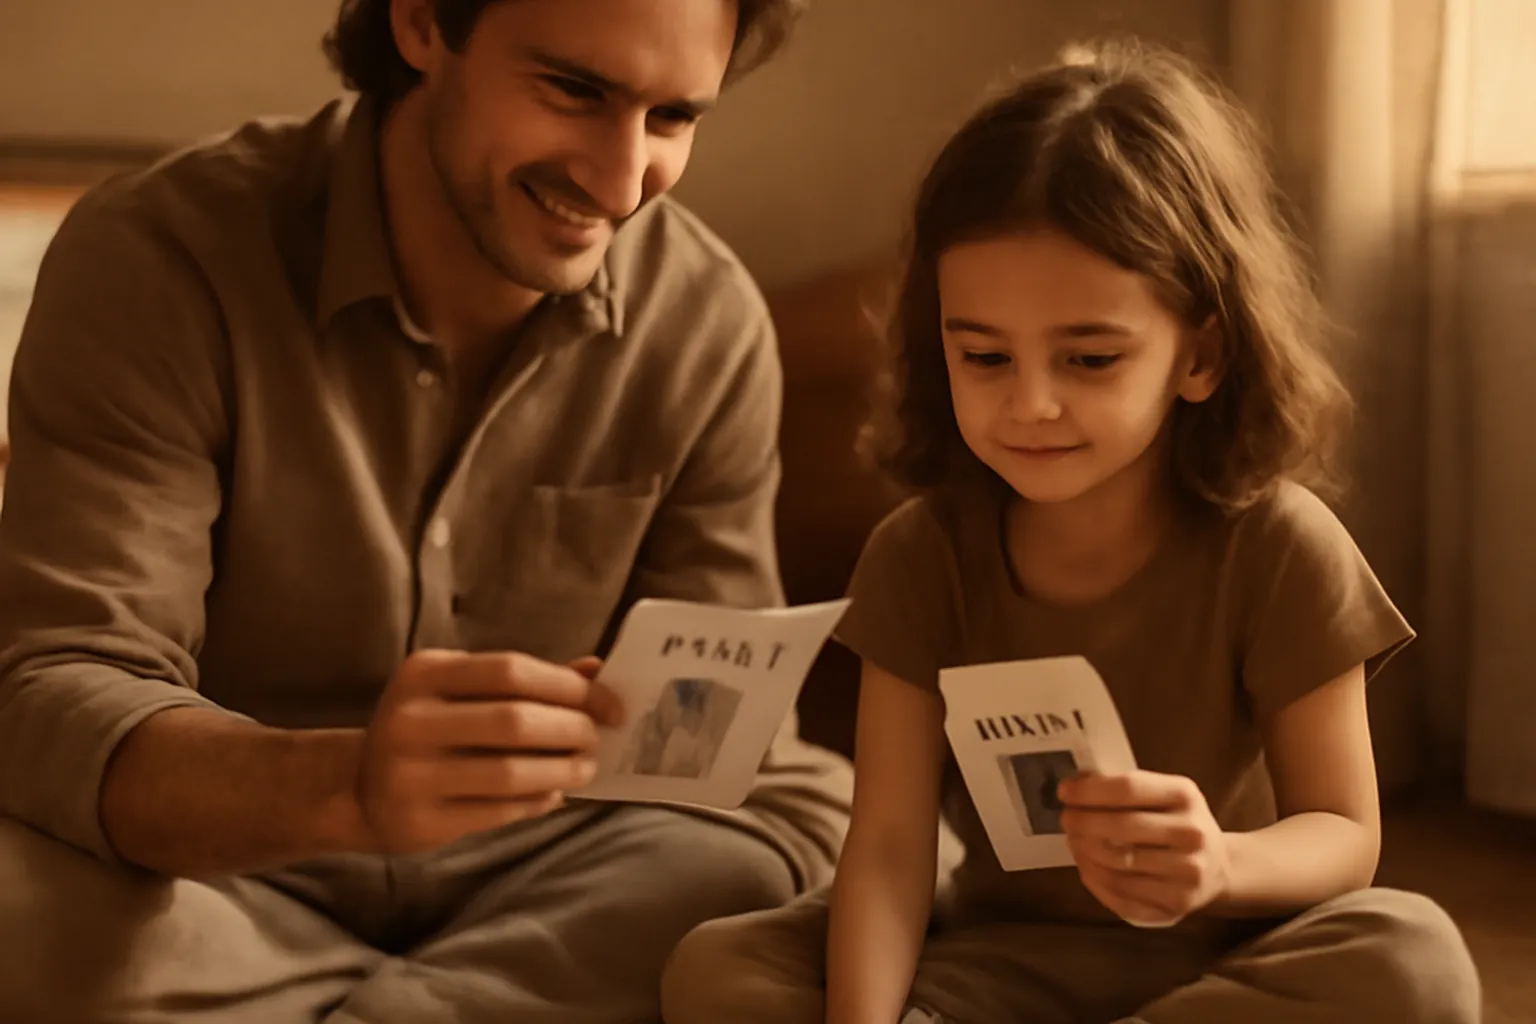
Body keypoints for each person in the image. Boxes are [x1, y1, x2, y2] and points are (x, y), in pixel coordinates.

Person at [0, 0, 853, 1021]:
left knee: (852, 837)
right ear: (420, 25)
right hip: (226, 875)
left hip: (555, 873)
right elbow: (57, 690)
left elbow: (717, 745)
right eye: (576, 91)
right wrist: (347, 786)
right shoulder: (162, 252)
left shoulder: (705, 320)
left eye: (672, 117)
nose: (622, 184)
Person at [659, 40, 1481, 1024]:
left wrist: (1218, 864)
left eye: (1089, 359)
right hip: (993, 963)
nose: (1031, 404)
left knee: (1414, 958)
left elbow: (1344, 833)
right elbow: (887, 847)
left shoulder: (1279, 545)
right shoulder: (923, 554)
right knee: (721, 966)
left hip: (1224, 955)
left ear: (1201, 354)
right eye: (985, 356)